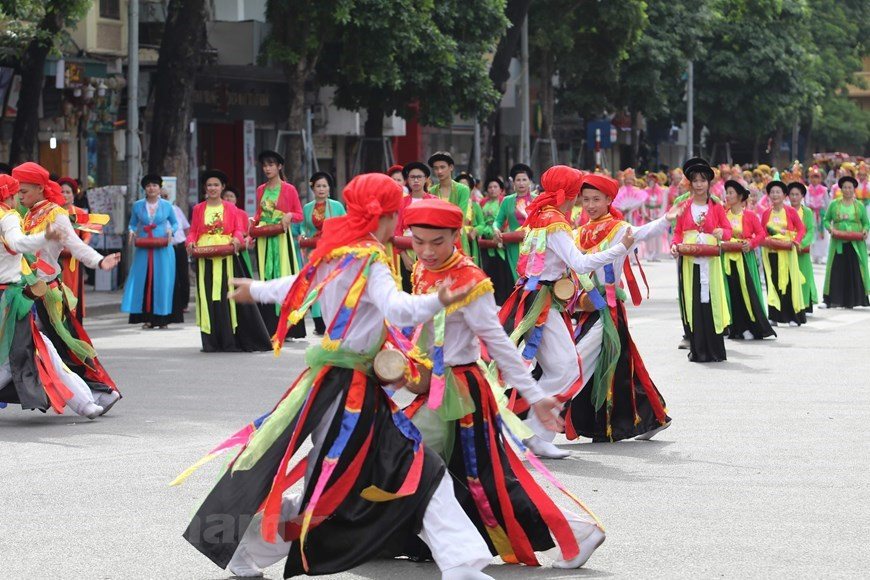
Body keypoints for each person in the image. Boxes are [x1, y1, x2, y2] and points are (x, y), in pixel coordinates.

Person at [181, 174, 495, 580]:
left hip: (341, 385)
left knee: (405, 468)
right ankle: (245, 551)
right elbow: (397, 309)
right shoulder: (369, 257)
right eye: (394, 213)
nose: (397, 221)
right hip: (350, 392)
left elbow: (296, 286)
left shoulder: (338, 250)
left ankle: (463, 564)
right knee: (350, 481)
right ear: (382, 214)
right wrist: (438, 299)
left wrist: (255, 289)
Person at [402, 198, 606, 569]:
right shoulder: (420, 270)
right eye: (418, 241)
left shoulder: (470, 281)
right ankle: (436, 541)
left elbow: (498, 342)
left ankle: (575, 532)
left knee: (442, 467)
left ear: (456, 235)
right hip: (433, 385)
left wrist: (536, 395)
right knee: (458, 474)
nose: (427, 251)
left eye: (437, 242)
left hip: (462, 392)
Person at [499, 166, 632, 458]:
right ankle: (530, 428)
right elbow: (580, 264)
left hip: (538, 298)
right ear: (570, 194)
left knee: (560, 367)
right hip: (542, 301)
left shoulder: (539, 216)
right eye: (578, 194)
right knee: (567, 367)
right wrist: (619, 249)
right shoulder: (555, 222)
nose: (580, 201)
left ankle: (532, 430)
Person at [566, 173, 681, 443]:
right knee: (620, 366)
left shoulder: (618, 228)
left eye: (596, 199)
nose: (591, 205)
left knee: (600, 365)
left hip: (608, 310)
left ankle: (607, 424)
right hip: (585, 309)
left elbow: (642, 233)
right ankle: (651, 418)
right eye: (586, 200)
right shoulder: (577, 233)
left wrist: (666, 219)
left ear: (609, 200)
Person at [14, 162, 122, 413]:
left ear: (40, 188)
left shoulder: (55, 214)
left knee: (62, 348)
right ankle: (97, 395)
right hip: (29, 292)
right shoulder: (28, 214)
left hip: (46, 294)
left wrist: (98, 261)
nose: (20, 197)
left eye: (24, 192)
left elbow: (75, 244)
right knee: (53, 349)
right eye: (18, 192)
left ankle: (97, 395)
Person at [187, 170, 271, 352]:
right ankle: (211, 342)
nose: (212, 188)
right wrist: (190, 242)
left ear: (222, 187)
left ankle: (229, 340)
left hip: (225, 258)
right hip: (205, 258)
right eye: (209, 185)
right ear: (205, 188)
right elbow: (193, 231)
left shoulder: (230, 208)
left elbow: (238, 230)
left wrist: (236, 239)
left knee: (228, 299)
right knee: (208, 298)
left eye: (216, 185)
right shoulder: (198, 209)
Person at [670, 157, 732, 363]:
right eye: (695, 180)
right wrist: (674, 245)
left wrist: (722, 232)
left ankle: (714, 349)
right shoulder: (683, 205)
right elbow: (677, 232)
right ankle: (697, 349)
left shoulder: (716, 206)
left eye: (702, 180)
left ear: (709, 183)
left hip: (710, 260)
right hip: (689, 261)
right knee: (694, 300)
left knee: (711, 300)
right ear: (689, 183)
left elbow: (729, 230)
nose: (699, 184)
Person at [253, 150, 305, 338]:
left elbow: (299, 214)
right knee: (266, 279)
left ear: (279, 167)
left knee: (284, 278)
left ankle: (289, 328)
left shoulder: (289, 189)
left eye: (271, 165)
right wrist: (252, 224)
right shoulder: (261, 190)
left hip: (282, 240)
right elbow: (259, 215)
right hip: (264, 240)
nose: (267, 168)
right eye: (265, 165)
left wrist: (289, 215)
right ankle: (269, 327)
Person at [121, 174, 179, 329]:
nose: (151, 188)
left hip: (163, 248)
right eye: (148, 186)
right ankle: (146, 318)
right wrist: (131, 231)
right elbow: (132, 224)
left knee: (163, 282)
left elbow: (175, 223)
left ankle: (163, 319)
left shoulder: (167, 205)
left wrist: (170, 231)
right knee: (145, 280)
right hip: (144, 247)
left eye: (155, 185)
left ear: (160, 188)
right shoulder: (138, 205)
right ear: (144, 189)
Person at [722, 180, 776, 341]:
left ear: (740, 196)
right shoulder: (723, 214)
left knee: (746, 292)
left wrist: (750, 243)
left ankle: (750, 325)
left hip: (745, 258)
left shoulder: (750, 215)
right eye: (727, 193)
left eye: (731, 193)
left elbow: (761, 234)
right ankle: (733, 327)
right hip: (726, 258)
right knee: (730, 292)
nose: (727, 196)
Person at [300, 171, 346, 335]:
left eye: (324, 186)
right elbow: (301, 227)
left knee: (331, 284)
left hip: (332, 252)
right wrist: (303, 237)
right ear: (313, 188)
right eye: (318, 186)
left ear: (329, 189)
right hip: (314, 251)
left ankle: (333, 319)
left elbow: (344, 225)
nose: (321, 189)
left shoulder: (337, 206)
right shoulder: (307, 208)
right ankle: (318, 322)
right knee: (314, 284)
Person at [760, 180, 806, 327]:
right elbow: (762, 232)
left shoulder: (790, 211)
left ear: (784, 195)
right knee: (772, 282)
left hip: (786, 253)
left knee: (788, 283)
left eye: (778, 192)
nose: (774, 195)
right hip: (771, 252)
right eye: (772, 192)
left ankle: (791, 316)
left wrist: (796, 241)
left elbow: (801, 229)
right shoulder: (766, 213)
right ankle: (773, 315)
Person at [822, 175, 870, 308]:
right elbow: (826, 219)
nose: (847, 190)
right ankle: (829, 299)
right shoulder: (834, 204)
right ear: (840, 189)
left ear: (854, 189)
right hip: (838, 241)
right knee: (836, 268)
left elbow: (866, 223)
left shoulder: (859, 206)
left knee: (855, 268)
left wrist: (865, 230)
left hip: (855, 241)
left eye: (850, 187)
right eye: (845, 187)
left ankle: (857, 299)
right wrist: (830, 228)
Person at [395, 162, 437, 291]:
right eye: (412, 177)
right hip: (407, 252)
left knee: (429, 288)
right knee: (408, 289)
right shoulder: (401, 203)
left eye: (419, 177)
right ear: (407, 180)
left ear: (426, 179)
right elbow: (396, 230)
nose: (416, 180)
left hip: (430, 252)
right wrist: (403, 256)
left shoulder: (434, 201)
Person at [492, 164, 535, 280]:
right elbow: (498, 221)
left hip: (534, 243)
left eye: (524, 180)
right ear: (513, 183)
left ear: (529, 182)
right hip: (514, 244)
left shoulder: (537, 199)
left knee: (533, 276)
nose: (521, 183)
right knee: (517, 277)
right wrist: (496, 229)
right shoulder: (507, 201)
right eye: (518, 180)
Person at [57, 176, 91, 322]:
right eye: (61, 192)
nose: (64, 195)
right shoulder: (51, 212)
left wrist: (81, 247)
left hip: (73, 260)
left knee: (72, 290)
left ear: (74, 194)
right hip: (54, 258)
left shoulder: (79, 213)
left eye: (68, 192)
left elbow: (87, 234)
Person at [475, 177, 513, 304]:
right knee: (487, 270)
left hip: (501, 238)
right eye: (490, 187)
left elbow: (506, 219)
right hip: (486, 241)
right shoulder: (482, 202)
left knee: (502, 271)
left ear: (501, 190)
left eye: (495, 187)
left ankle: (503, 300)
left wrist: (503, 236)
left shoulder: (504, 201)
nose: (492, 189)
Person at [428, 152, 472, 256]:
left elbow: (461, 215)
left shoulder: (463, 189)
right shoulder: (432, 191)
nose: (439, 171)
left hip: (456, 237)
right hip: (436, 238)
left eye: (442, 167)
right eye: (436, 168)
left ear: (451, 167)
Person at [788, 182, 819, 316]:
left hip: (801, 249)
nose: (794, 197)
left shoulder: (806, 212)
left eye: (797, 194)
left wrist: (801, 244)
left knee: (805, 277)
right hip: (787, 248)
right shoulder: (785, 210)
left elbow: (811, 231)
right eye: (792, 194)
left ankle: (805, 305)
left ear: (802, 196)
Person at [163, 190, 191, 323]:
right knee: (169, 277)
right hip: (164, 246)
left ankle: (184, 303)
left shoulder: (176, 210)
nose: (163, 198)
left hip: (179, 245)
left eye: (165, 196)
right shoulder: (154, 211)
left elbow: (186, 227)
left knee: (183, 275)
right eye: (161, 197)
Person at [222, 185, 255, 278]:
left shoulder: (242, 214)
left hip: (241, 249)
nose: (228, 198)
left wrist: (248, 239)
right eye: (226, 196)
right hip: (226, 248)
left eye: (231, 196)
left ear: (236, 200)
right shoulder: (219, 213)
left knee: (244, 275)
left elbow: (249, 233)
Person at [806, 166, 830, 264]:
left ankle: (822, 255)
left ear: (820, 179)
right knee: (812, 234)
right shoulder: (808, 189)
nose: (814, 180)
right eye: (812, 177)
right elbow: (806, 202)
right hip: (812, 214)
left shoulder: (824, 190)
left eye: (816, 177)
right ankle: (813, 255)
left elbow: (827, 203)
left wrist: (825, 213)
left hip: (821, 214)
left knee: (822, 234)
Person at [641, 171, 668, 261]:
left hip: (657, 213)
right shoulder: (645, 190)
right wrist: (645, 213)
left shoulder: (662, 191)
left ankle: (657, 253)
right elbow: (643, 203)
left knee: (658, 234)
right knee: (649, 234)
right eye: (649, 181)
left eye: (652, 181)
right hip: (649, 213)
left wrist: (660, 215)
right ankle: (649, 253)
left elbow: (664, 203)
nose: (651, 183)